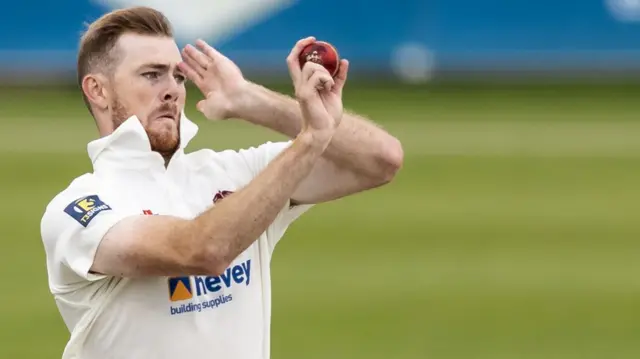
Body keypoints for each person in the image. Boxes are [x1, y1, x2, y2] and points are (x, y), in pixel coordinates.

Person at [40, 6, 403, 359]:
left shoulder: (234, 173)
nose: (172, 90)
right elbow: (203, 251)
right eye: (152, 75)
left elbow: (380, 160)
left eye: (178, 76)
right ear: (97, 90)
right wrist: (309, 140)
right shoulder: (78, 210)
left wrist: (251, 100)